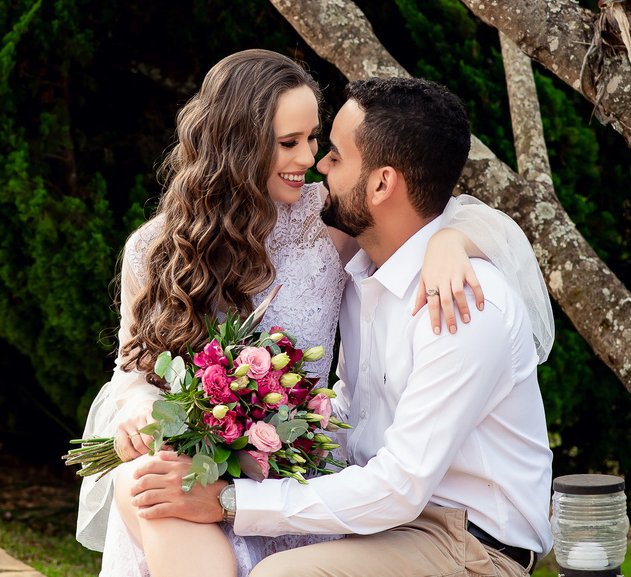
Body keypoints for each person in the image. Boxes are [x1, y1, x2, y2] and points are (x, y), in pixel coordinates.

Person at [76, 54, 550, 577]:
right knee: (140, 484)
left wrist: (452, 238)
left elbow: (427, 200)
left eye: (317, 141)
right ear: (238, 142)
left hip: (297, 487)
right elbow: (134, 369)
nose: (311, 159)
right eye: (290, 142)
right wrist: (140, 410)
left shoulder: (326, 224)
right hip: (214, 468)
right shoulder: (155, 250)